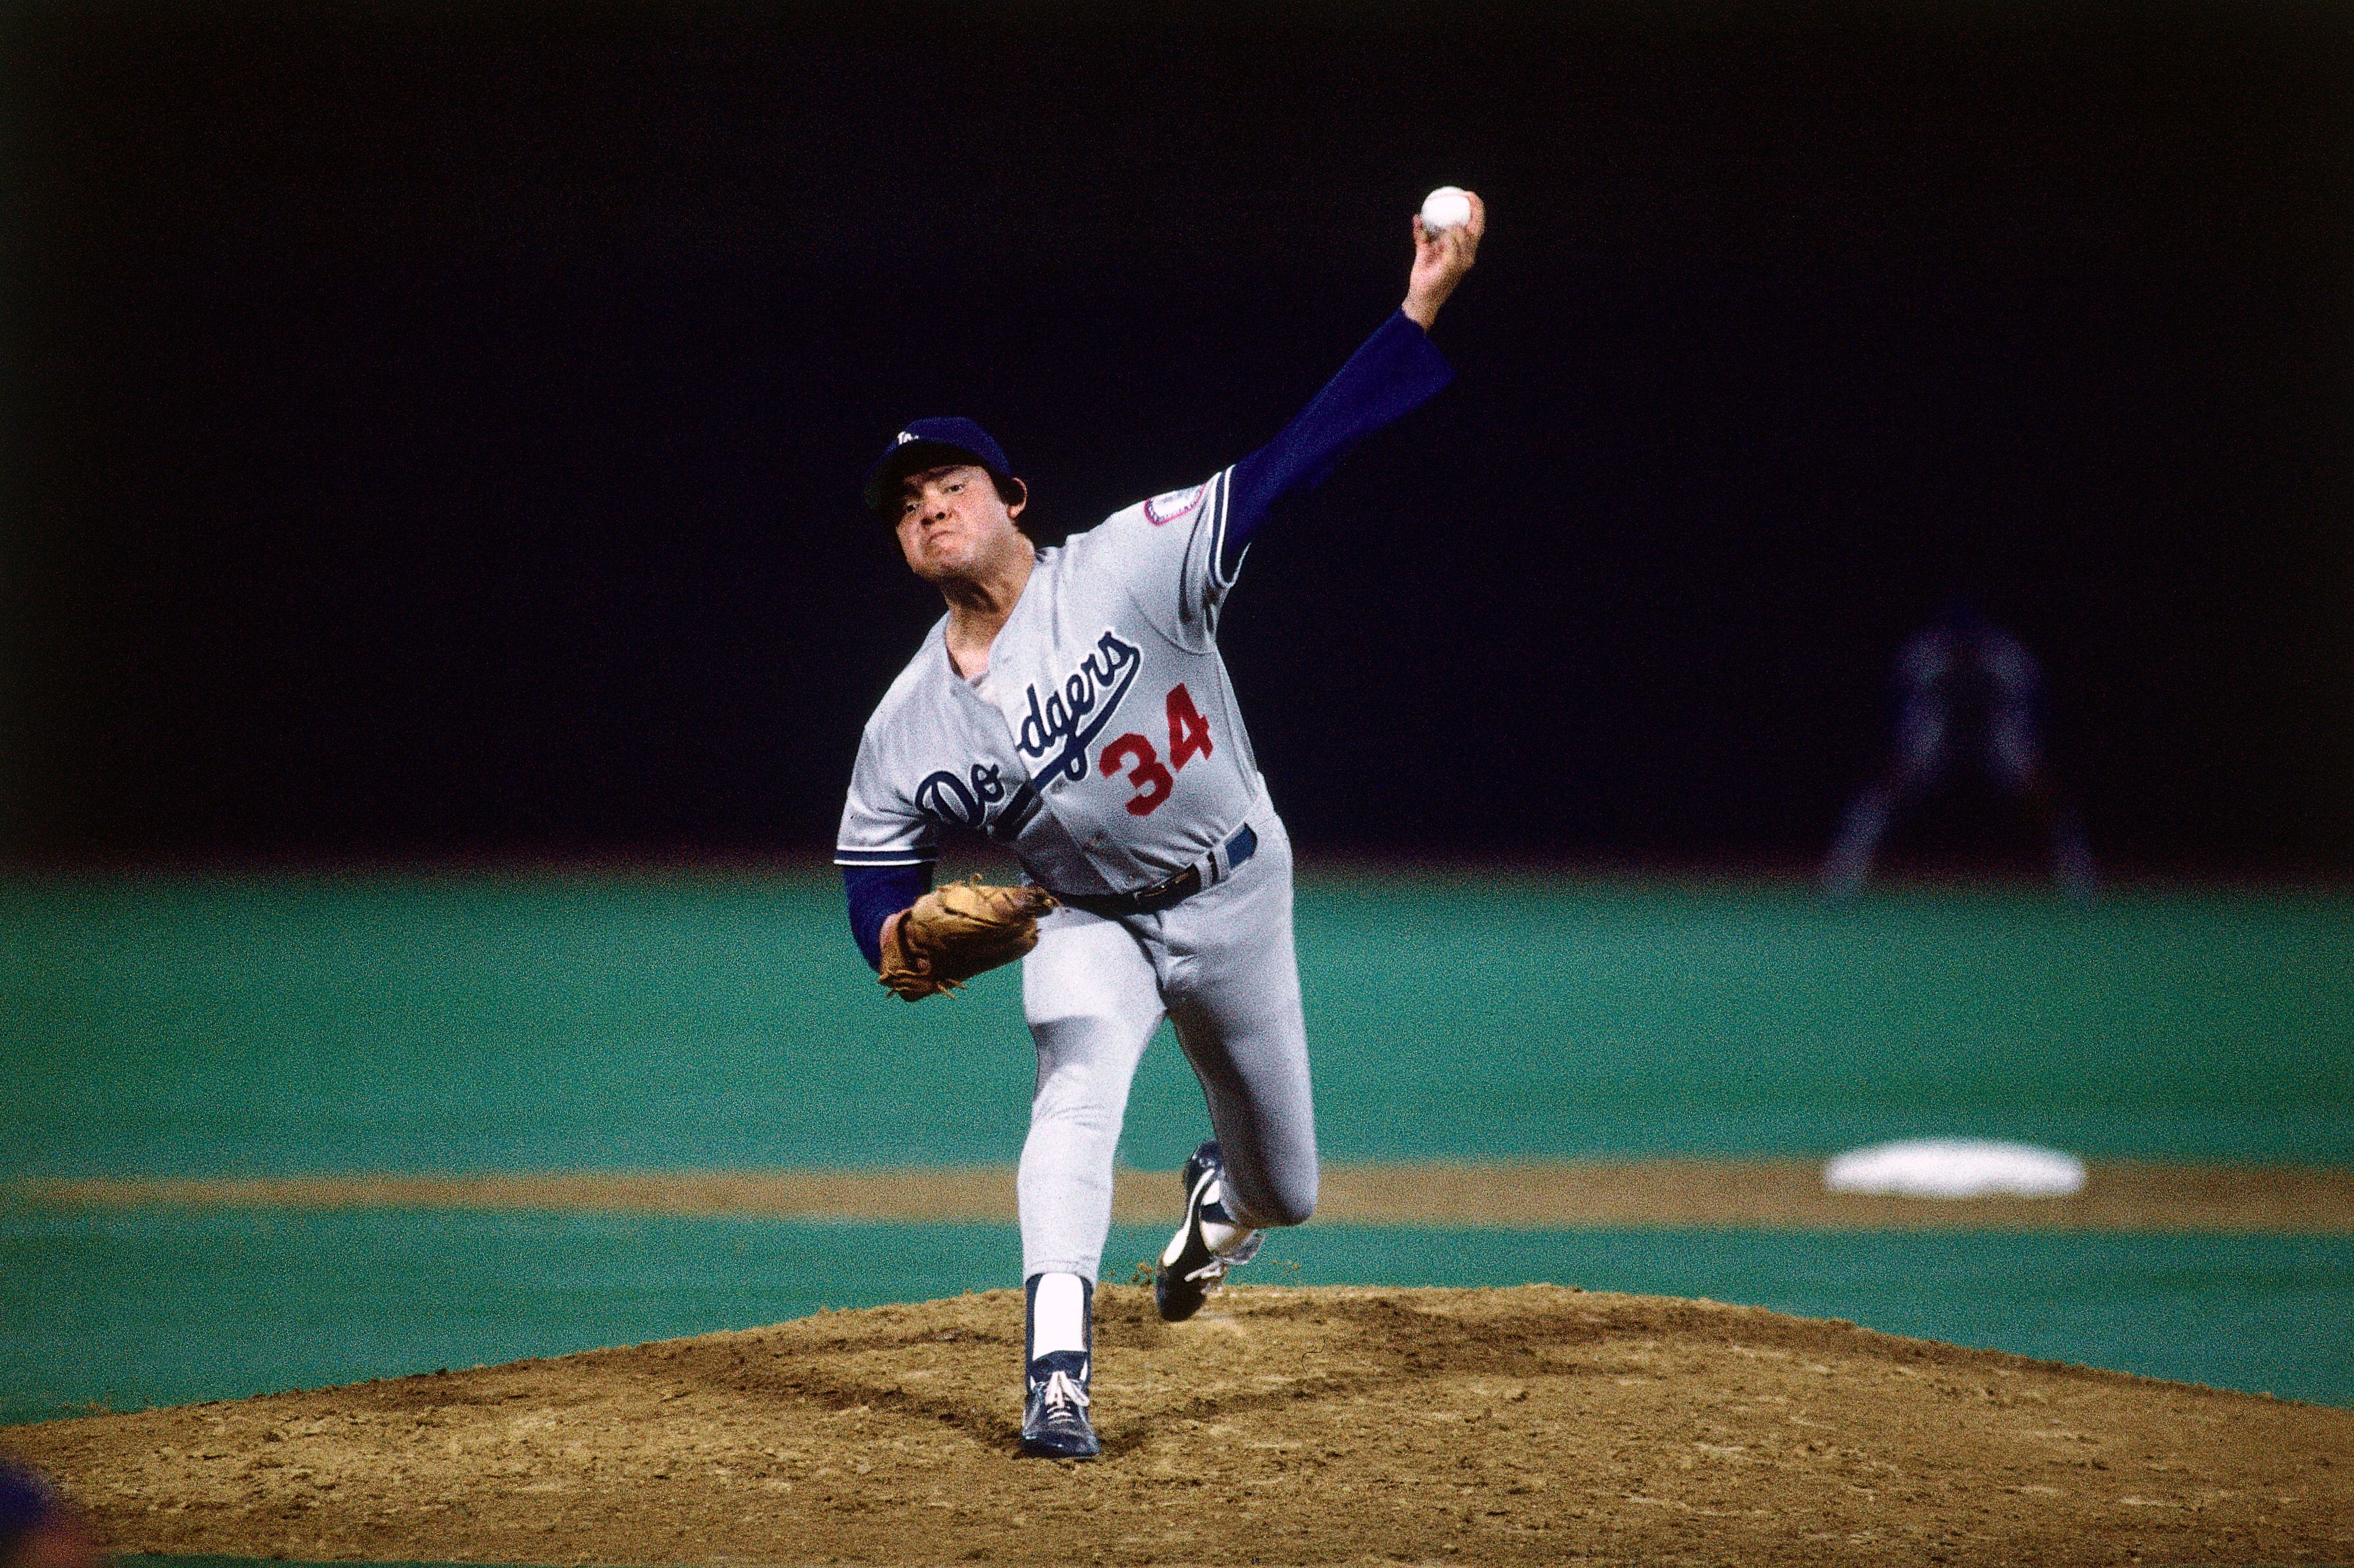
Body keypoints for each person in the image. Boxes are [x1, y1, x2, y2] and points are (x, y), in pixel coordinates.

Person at [834, 194, 1485, 1458]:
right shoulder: (908, 718)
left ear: (1012, 495)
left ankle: (1217, 1210)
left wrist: (1421, 308)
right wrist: (895, 931)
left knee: (1289, 1189)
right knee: (1072, 1090)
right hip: (1090, 924)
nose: (926, 506)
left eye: (949, 482)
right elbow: (871, 866)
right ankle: (1058, 1377)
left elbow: (1296, 457)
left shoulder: (1131, 561)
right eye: (905, 501)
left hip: (1238, 886)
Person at [1819, 597, 2096, 901]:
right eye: (1955, 641)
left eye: (1968, 642)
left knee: (2044, 796)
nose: (1962, 650)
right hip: (1939, 725)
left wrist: (2034, 759)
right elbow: (1897, 706)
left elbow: (2035, 707)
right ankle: (1840, 879)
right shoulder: (1924, 654)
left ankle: (2081, 885)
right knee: (1885, 791)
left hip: (1996, 727)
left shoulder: (2006, 656)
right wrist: (1899, 757)